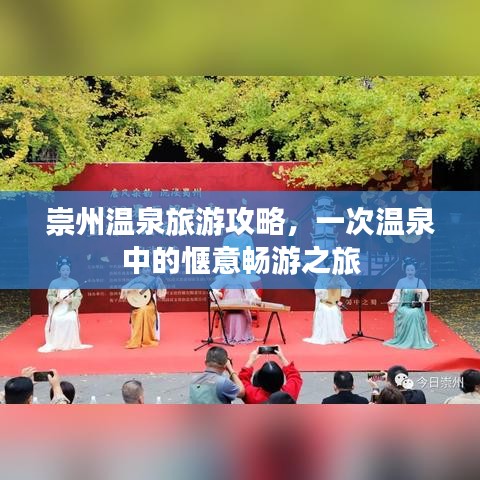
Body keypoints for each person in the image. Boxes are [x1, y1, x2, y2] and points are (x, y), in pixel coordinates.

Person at [38, 257, 91, 353]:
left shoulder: (74, 282)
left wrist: (71, 300)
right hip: (58, 308)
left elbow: (79, 296)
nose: (65, 272)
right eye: (63, 270)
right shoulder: (54, 283)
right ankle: (57, 343)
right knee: (56, 319)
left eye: (67, 270)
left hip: (69, 308)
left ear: (70, 270)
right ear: (59, 271)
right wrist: (56, 299)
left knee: (71, 319)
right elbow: (49, 296)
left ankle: (71, 343)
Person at [384, 259, 435, 349]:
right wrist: (391, 302)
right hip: (404, 306)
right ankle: (406, 339)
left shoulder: (419, 281)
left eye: (412, 270)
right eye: (408, 270)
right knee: (409, 313)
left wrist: (419, 293)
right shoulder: (401, 281)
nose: (410, 272)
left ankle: (416, 339)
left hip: (415, 306)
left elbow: (425, 294)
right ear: (405, 271)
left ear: (415, 271)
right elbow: (396, 295)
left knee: (414, 312)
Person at [303, 256, 351, 345]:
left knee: (334, 311)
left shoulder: (339, 278)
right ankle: (324, 336)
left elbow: (347, 291)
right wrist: (330, 285)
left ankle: (335, 336)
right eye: (330, 267)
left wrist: (342, 285)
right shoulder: (321, 278)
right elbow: (318, 292)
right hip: (324, 304)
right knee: (326, 310)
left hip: (334, 304)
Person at [120, 267, 166, 348]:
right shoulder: (136, 279)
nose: (147, 271)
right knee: (141, 310)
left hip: (150, 303)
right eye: (145, 269)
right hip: (138, 304)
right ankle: (136, 339)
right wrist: (132, 290)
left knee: (145, 310)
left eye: (148, 269)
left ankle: (147, 339)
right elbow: (125, 287)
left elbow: (161, 293)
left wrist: (160, 283)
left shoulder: (155, 279)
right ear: (141, 270)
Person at [238, 346, 303, 404]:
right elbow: (294, 376)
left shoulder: (252, 396)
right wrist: (282, 357)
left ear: (260, 381)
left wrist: (251, 360)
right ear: (282, 379)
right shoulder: (290, 393)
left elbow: (241, 381)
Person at [210, 272, 260, 344]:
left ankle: (241, 335)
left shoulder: (242, 278)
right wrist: (218, 294)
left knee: (240, 317)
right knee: (231, 316)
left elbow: (250, 291)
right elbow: (213, 289)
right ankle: (230, 335)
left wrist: (256, 298)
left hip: (241, 305)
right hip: (228, 305)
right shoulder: (224, 278)